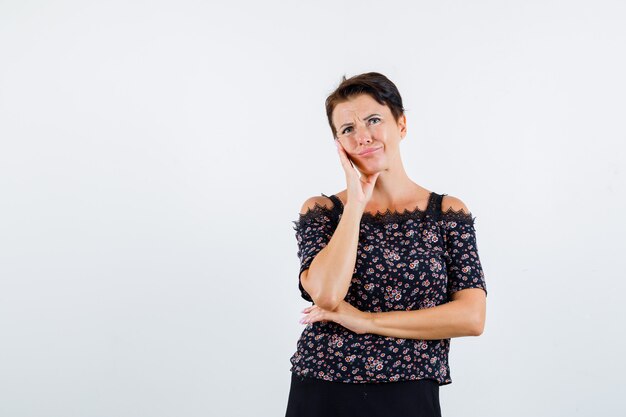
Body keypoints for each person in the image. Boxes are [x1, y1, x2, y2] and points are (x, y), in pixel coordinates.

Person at [284, 72, 488, 417]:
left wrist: (367, 321)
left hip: (410, 390)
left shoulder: (447, 212)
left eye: (373, 120)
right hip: (324, 387)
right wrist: (355, 205)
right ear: (338, 143)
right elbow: (328, 295)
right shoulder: (323, 212)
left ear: (402, 124)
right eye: (347, 129)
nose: (362, 136)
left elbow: (471, 317)